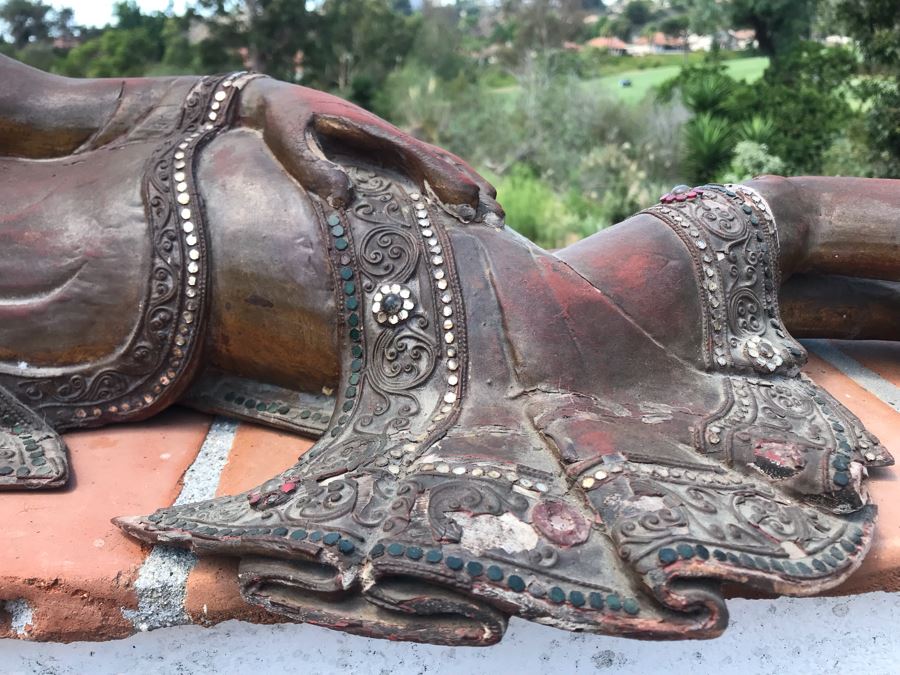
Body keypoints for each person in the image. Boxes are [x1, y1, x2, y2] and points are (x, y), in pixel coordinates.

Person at [1, 56, 898, 645]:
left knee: (704, 290)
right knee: (774, 216)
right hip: (340, 284)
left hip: (323, 209)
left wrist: (257, 96)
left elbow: (77, 108)